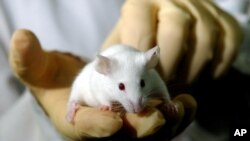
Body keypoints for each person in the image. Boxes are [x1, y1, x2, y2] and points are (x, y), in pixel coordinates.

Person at [0, 0, 246, 141]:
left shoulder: (145, 67)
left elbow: (157, 84)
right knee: (80, 88)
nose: (136, 104)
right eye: (121, 88)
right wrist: (50, 119)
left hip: (225, 125)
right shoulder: (99, 74)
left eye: (140, 85)